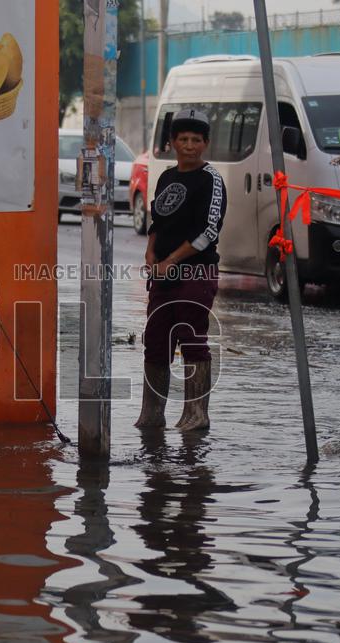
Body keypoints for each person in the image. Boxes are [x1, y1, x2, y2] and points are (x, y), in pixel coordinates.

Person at [135, 108, 226, 431]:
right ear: (172, 142)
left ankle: (196, 414)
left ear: (205, 143)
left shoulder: (211, 179)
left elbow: (208, 232)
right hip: (162, 275)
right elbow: (157, 221)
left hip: (196, 273)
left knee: (191, 338)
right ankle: (151, 414)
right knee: (156, 339)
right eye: (183, 139)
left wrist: (172, 259)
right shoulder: (166, 177)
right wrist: (151, 254)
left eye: (196, 140)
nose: (189, 145)